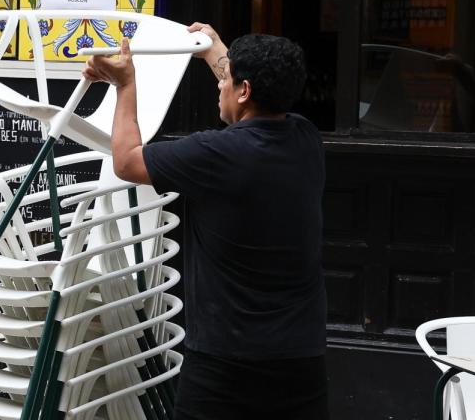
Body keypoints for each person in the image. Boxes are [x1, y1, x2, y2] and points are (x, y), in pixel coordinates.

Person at [83, 22, 329, 420]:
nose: (220, 84)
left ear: (244, 90)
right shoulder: (306, 139)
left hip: (227, 361)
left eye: (227, 78)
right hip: (301, 355)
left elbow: (127, 161)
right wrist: (215, 51)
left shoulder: (217, 154)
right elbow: (255, 94)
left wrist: (124, 86)